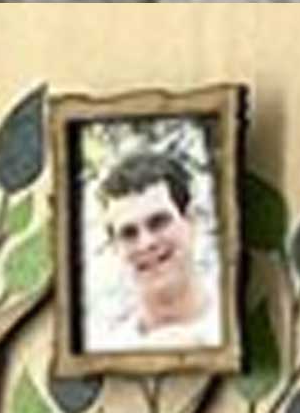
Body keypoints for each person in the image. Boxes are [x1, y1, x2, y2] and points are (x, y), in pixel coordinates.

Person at [88, 144, 222, 353]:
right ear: (115, 248)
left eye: (158, 222)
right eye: (129, 233)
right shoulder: (104, 351)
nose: (146, 243)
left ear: (191, 221)